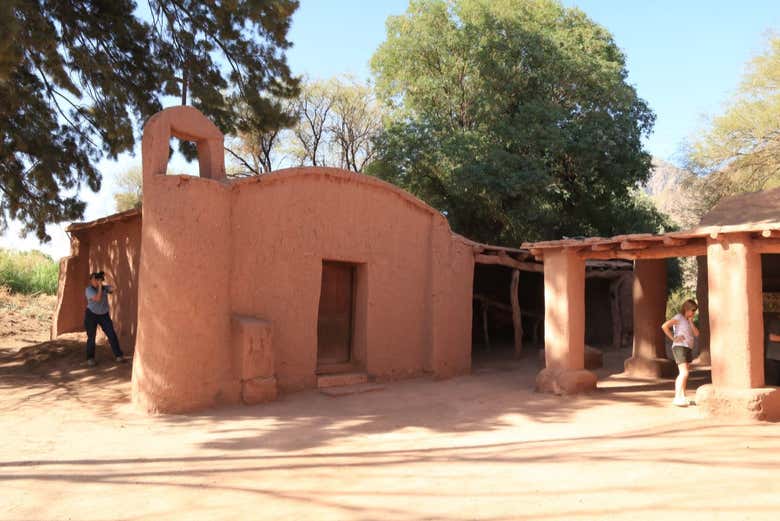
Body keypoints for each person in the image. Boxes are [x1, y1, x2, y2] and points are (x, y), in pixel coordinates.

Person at [661, 299, 700, 407]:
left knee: (685, 373)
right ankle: (677, 398)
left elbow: (697, 334)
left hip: (687, 348)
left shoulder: (688, 320)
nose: (694, 313)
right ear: (686, 309)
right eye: (692, 310)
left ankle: (682, 396)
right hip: (679, 347)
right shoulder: (679, 317)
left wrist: (691, 322)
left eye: (695, 311)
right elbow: (664, 326)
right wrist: (674, 338)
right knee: (684, 372)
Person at [84, 271, 124, 366]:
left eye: (97, 279)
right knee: (91, 337)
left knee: (111, 334)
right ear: (91, 281)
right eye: (95, 279)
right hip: (91, 315)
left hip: (103, 315)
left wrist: (106, 277)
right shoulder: (89, 290)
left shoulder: (104, 287)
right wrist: (100, 286)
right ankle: (90, 358)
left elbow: (115, 288)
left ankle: (118, 355)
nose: (96, 281)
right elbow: (97, 299)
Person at [765, 314, 780, 386]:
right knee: (773, 383)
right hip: (774, 358)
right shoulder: (775, 322)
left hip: (776, 358)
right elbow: (772, 337)